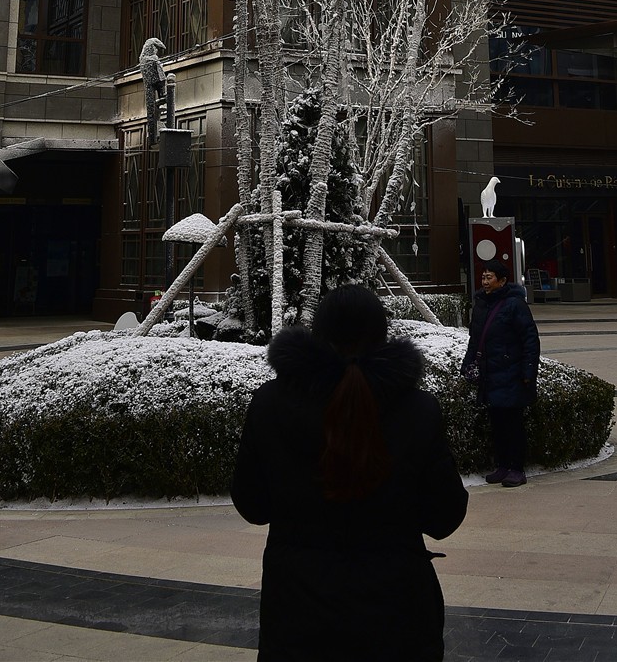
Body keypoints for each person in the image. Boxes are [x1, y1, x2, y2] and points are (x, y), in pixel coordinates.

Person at [231, 286, 468, 662]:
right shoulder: (418, 409)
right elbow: (445, 516)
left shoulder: (270, 404)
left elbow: (252, 504)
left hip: (297, 612)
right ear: (382, 334)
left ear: (318, 333)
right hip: (398, 614)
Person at [460, 264, 540, 487]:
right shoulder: (481, 305)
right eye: (483, 277)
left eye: (490, 278)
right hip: (490, 374)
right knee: (497, 424)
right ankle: (503, 466)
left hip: (512, 374)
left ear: (502, 281)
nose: (485, 282)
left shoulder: (515, 305)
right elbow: (475, 340)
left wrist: (528, 372)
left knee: (513, 424)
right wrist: (467, 364)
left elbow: (530, 340)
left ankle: (517, 468)